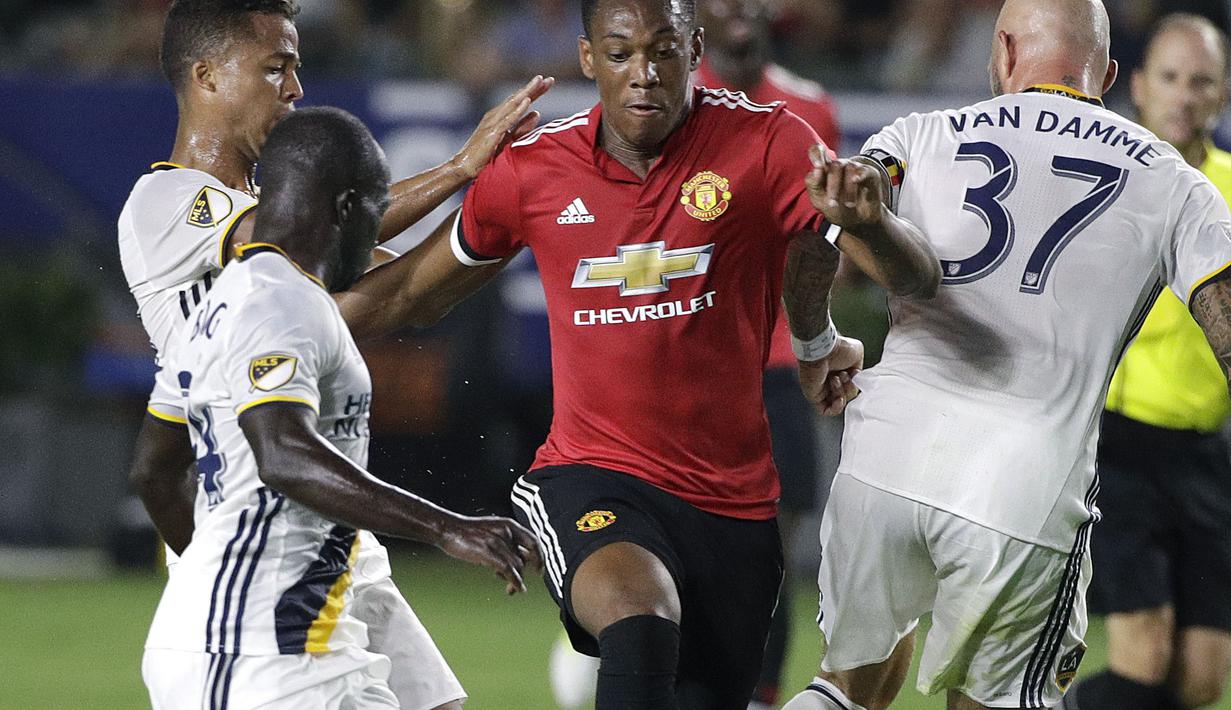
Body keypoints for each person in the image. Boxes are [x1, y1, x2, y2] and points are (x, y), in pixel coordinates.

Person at [384, 0, 939, 706]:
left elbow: (887, 270)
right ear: (588, 59)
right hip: (591, 473)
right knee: (639, 616)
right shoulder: (531, 170)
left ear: (691, 47)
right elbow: (409, 295)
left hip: (730, 501)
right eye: (619, 55)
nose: (642, 74)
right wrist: (303, 300)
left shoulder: (770, 139)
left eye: (662, 51)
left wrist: (869, 231)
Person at [779, 1, 1231, 709]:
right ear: (1109, 74)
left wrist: (813, 344)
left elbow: (813, 239)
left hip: (884, 466)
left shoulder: (918, 134)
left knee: (842, 691)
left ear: (1003, 51)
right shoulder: (1172, 179)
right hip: (1022, 488)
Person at [119, 2, 552, 708]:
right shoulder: (168, 203)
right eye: (275, 67)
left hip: (337, 527)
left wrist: (529, 208)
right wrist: (460, 170)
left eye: (295, 67)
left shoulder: (277, 269)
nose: (294, 88)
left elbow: (403, 290)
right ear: (206, 76)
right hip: (258, 532)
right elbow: (305, 233)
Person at [1066, 14, 1231, 710]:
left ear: (1221, 95)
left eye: (1200, 81)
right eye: (1168, 77)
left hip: (1206, 456)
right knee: (1143, 654)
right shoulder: (1103, 181)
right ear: (1135, 86)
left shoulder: (1225, 186)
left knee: (1197, 682)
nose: (1183, 95)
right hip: (1118, 443)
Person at [694, 2, 840, 706]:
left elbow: (826, 238)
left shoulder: (810, 108)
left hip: (777, 365)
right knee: (688, 542)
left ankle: (761, 696)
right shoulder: (670, 99)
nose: (742, 13)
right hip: (691, 359)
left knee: (768, 554)